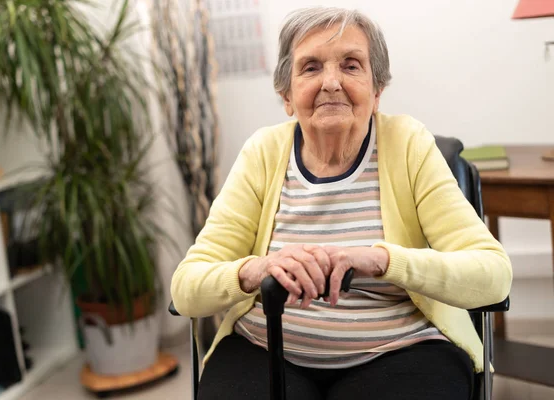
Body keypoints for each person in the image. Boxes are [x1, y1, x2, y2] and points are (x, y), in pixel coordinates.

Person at [170, 6, 512, 400]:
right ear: (286, 95)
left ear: (377, 89)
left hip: (400, 350)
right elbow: (186, 287)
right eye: (311, 67)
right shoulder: (262, 153)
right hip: (265, 348)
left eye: (351, 66)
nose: (331, 82)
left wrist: (384, 261)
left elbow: (493, 275)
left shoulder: (409, 144)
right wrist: (256, 269)